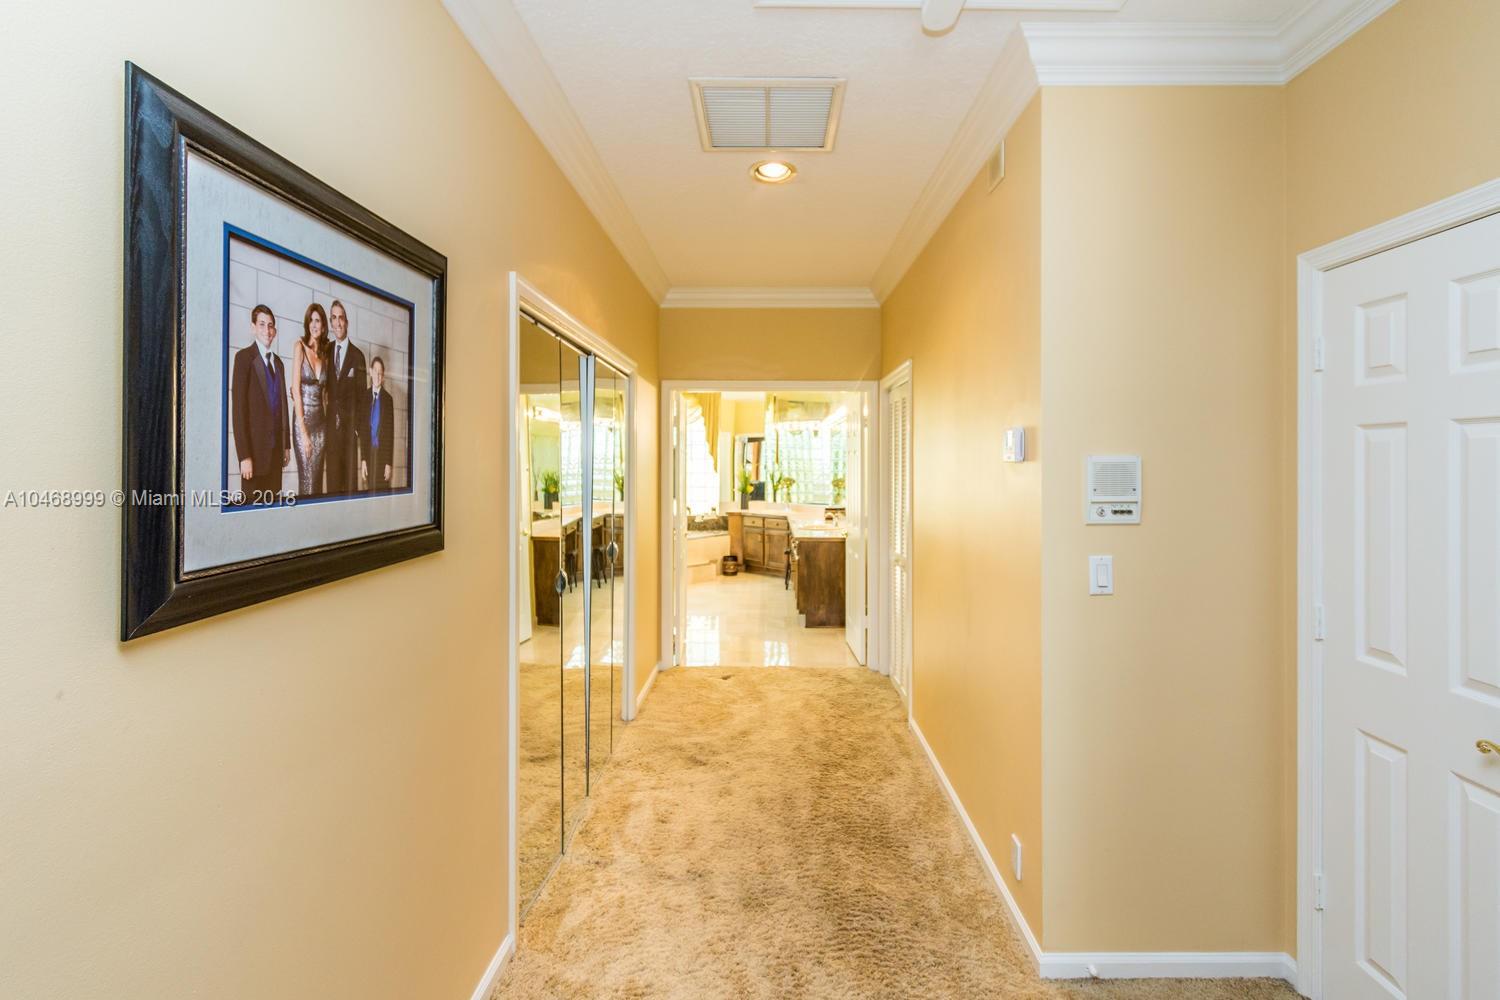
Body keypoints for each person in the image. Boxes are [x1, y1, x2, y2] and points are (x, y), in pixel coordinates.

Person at [229, 304, 290, 502]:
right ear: (253, 327)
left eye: (270, 325)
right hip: (253, 457)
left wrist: (286, 446)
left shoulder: (279, 363)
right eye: (262, 324)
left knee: (272, 514)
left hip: (274, 456)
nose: (267, 330)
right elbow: (238, 412)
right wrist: (244, 457)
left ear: (275, 331)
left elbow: (284, 408)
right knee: (251, 513)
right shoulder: (243, 358)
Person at [324, 300, 367, 495]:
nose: (338, 322)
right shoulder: (325, 351)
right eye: (334, 318)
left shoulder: (358, 356)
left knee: (350, 487)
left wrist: (357, 430)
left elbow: (363, 399)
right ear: (331, 323)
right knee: (332, 486)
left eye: (341, 318)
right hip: (330, 432)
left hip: (350, 433)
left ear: (347, 322)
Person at [291, 302, 331, 497]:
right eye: (311, 321)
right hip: (303, 424)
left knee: (316, 484)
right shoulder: (299, 347)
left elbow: (325, 394)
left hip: (321, 425)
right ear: (307, 324)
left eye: (318, 321)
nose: (314, 325)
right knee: (306, 482)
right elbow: (296, 390)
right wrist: (304, 432)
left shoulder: (325, 355)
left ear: (323, 326)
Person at [361, 356, 395, 492]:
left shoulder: (388, 400)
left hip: (382, 456)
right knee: (369, 492)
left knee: (382, 493)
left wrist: (389, 463)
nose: (378, 375)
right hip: (368, 454)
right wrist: (363, 459)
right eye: (375, 371)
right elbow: (363, 431)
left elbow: (390, 433)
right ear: (370, 372)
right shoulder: (364, 397)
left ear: (384, 376)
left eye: (380, 372)